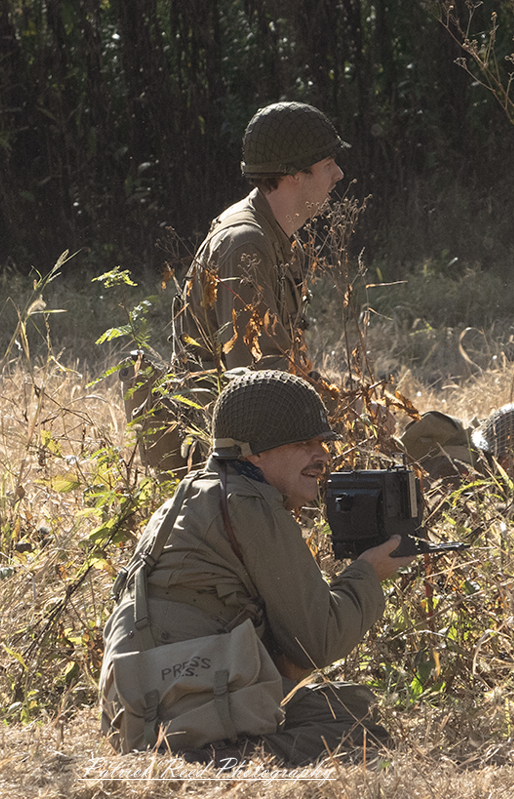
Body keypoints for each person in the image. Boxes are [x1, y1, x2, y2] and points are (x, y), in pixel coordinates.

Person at [101, 370, 414, 766]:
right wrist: (368, 573)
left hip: (145, 706)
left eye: (322, 442)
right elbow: (318, 640)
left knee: (347, 702)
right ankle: (221, 761)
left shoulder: (202, 492)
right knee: (359, 731)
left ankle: (209, 753)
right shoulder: (247, 503)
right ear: (254, 453)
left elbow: (291, 647)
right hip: (181, 712)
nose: (322, 455)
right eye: (303, 443)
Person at [134, 103, 348, 473]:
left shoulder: (278, 240)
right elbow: (257, 386)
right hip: (222, 448)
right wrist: (336, 418)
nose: (339, 174)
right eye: (328, 163)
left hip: (248, 434)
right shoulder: (246, 243)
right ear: (295, 173)